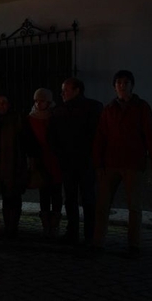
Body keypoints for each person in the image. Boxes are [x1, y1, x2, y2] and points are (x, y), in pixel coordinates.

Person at [93, 70, 152, 258]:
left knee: (134, 207)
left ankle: (134, 244)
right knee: (102, 204)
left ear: (132, 85)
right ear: (114, 86)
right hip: (111, 162)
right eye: (119, 83)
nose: (122, 86)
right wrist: (98, 163)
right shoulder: (109, 109)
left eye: (126, 82)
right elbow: (101, 137)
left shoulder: (141, 107)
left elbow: (150, 135)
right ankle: (98, 241)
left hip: (133, 163)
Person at [49, 78, 103, 246]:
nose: (62, 93)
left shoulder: (93, 108)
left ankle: (87, 234)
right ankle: (76, 232)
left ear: (77, 90)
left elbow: (98, 135)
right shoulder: (60, 110)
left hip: (84, 161)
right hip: (70, 161)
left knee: (86, 198)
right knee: (73, 198)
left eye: (66, 90)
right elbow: (52, 136)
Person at [0, 94, 29, 239]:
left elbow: (22, 142)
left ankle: (13, 227)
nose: (1, 105)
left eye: (4, 102)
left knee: (13, 197)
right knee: (5, 195)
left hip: (13, 164)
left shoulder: (17, 119)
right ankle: (7, 227)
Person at [28, 88, 63, 237]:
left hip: (55, 159)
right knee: (43, 192)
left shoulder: (55, 116)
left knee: (56, 192)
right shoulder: (31, 118)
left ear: (48, 102)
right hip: (40, 159)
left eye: (41, 101)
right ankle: (45, 223)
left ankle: (54, 223)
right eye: (36, 100)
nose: (38, 103)